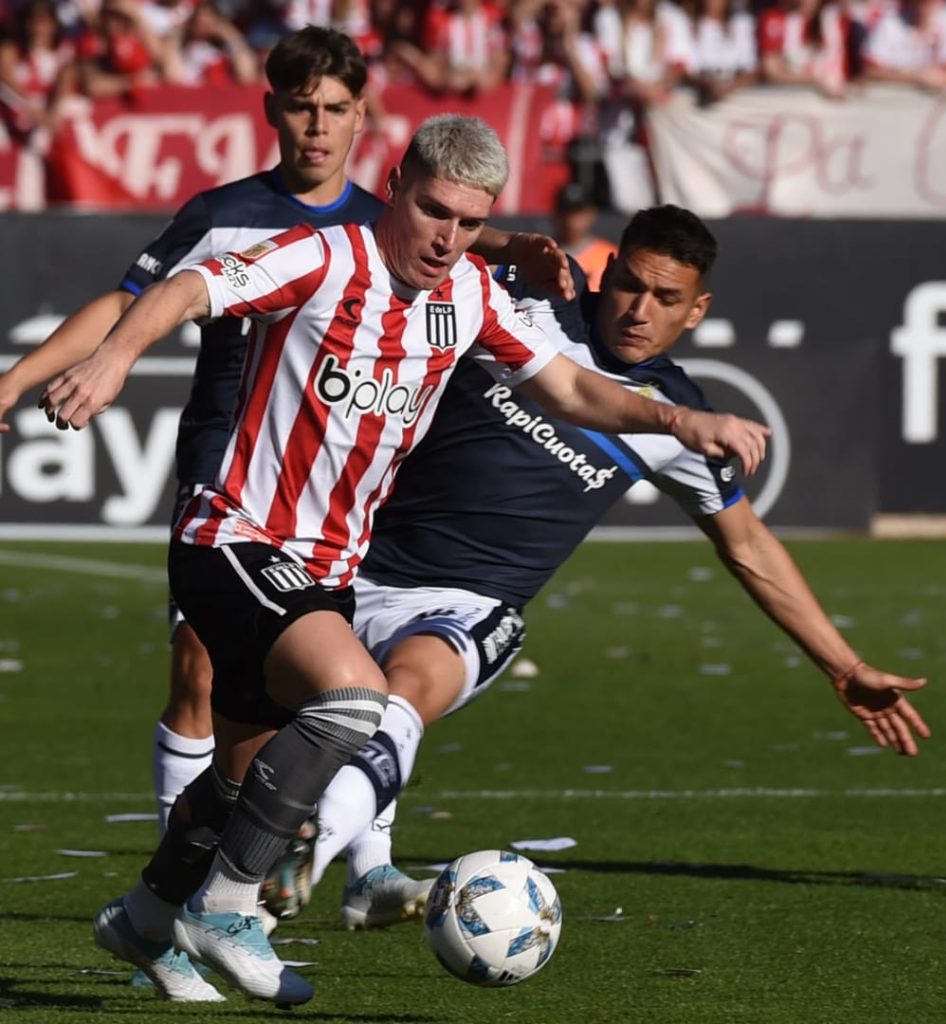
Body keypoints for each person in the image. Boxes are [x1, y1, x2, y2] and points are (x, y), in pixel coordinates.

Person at [40, 120, 772, 1007]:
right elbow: (191, 287)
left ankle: (147, 920)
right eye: (433, 211)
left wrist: (680, 420)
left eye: (469, 223)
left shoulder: (469, 296)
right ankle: (228, 907)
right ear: (396, 186)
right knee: (353, 700)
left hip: (328, 570)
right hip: (234, 536)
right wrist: (115, 357)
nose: (447, 238)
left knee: (237, 780)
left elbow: (575, 389)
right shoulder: (322, 255)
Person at [278, 205, 931, 932]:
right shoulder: (519, 305)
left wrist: (843, 665)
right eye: (629, 285)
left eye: (666, 298)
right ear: (607, 267)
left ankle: (303, 851)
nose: (639, 311)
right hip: (346, 562)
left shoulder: (678, 415)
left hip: (467, 604)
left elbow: (746, 544)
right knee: (225, 705)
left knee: (411, 686)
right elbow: (413, 224)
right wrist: (507, 240)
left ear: (698, 309)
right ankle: (345, 879)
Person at [0, 25, 572, 841]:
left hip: (340, 481)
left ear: (362, 120)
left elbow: (463, 239)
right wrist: (19, 378)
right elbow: (130, 303)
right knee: (201, 663)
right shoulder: (227, 214)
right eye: (302, 107)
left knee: (334, 685)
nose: (317, 126)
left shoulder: (393, 222)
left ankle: (354, 864)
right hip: (228, 466)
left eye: (336, 109)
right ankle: (189, 857)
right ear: (273, 110)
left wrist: (519, 247)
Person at [551, 180, 617, 293]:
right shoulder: (543, 253)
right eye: (566, 211)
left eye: (578, 212)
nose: (572, 220)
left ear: (591, 213)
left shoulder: (609, 254)